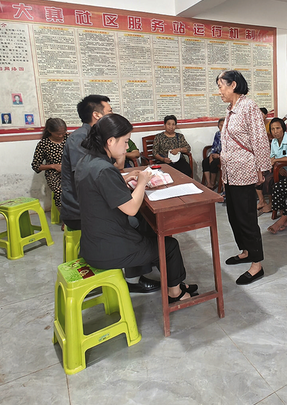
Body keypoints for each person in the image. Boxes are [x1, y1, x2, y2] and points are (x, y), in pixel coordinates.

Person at [75, 114, 198, 303]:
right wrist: (142, 182)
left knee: (148, 228)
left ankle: (174, 282)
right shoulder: (104, 169)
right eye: (125, 142)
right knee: (169, 245)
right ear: (110, 141)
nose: (126, 147)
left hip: (93, 241)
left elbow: (100, 187)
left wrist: (123, 179)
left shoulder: (86, 161)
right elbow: (131, 208)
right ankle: (175, 293)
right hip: (107, 248)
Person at [61, 95, 157, 294]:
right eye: (110, 112)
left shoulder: (94, 139)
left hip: (89, 202)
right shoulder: (82, 138)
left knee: (140, 219)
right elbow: (90, 178)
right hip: (80, 209)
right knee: (136, 220)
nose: (112, 115)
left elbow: (99, 175)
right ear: (98, 116)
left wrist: (122, 177)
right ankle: (135, 272)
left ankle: (139, 266)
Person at [217, 70, 272, 285]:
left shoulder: (249, 106)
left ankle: (257, 264)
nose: (219, 91)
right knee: (234, 215)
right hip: (230, 173)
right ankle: (246, 251)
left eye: (221, 86)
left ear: (233, 85)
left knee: (247, 218)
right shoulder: (231, 109)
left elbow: (259, 139)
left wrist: (261, 169)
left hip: (245, 171)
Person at [257, 118, 287, 215]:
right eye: (272, 129)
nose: (275, 131)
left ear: (283, 128)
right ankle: (262, 201)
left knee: (269, 179)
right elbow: (272, 157)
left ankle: (272, 204)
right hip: (279, 168)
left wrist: (277, 162)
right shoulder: (274, 141)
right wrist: (278, 166)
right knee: (260, 176)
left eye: (278, 128)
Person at [31, 117, 68, 209]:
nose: (61, 135)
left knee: (81, 188)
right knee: (60, 191)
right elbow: (36, 165)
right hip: (54, 174)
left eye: (63, 133)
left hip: (70, 171)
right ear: (50, 131)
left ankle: (80, 215)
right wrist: (53, 166)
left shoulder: (70, 139)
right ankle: (65, 215)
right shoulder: (44, 144)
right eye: (58, 134)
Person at [202, 117, 225, 189]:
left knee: (214, 163)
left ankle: (213, 183)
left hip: (223, 156)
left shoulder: (229, 136)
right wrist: (211, 155)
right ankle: (208, 183)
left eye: (224, 125)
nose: (222, 127)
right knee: (205, 161)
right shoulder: (217, 134)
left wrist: (219, 155)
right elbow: (214, 146)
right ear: (218, 126)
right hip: (216, 153)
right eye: (220, 125)